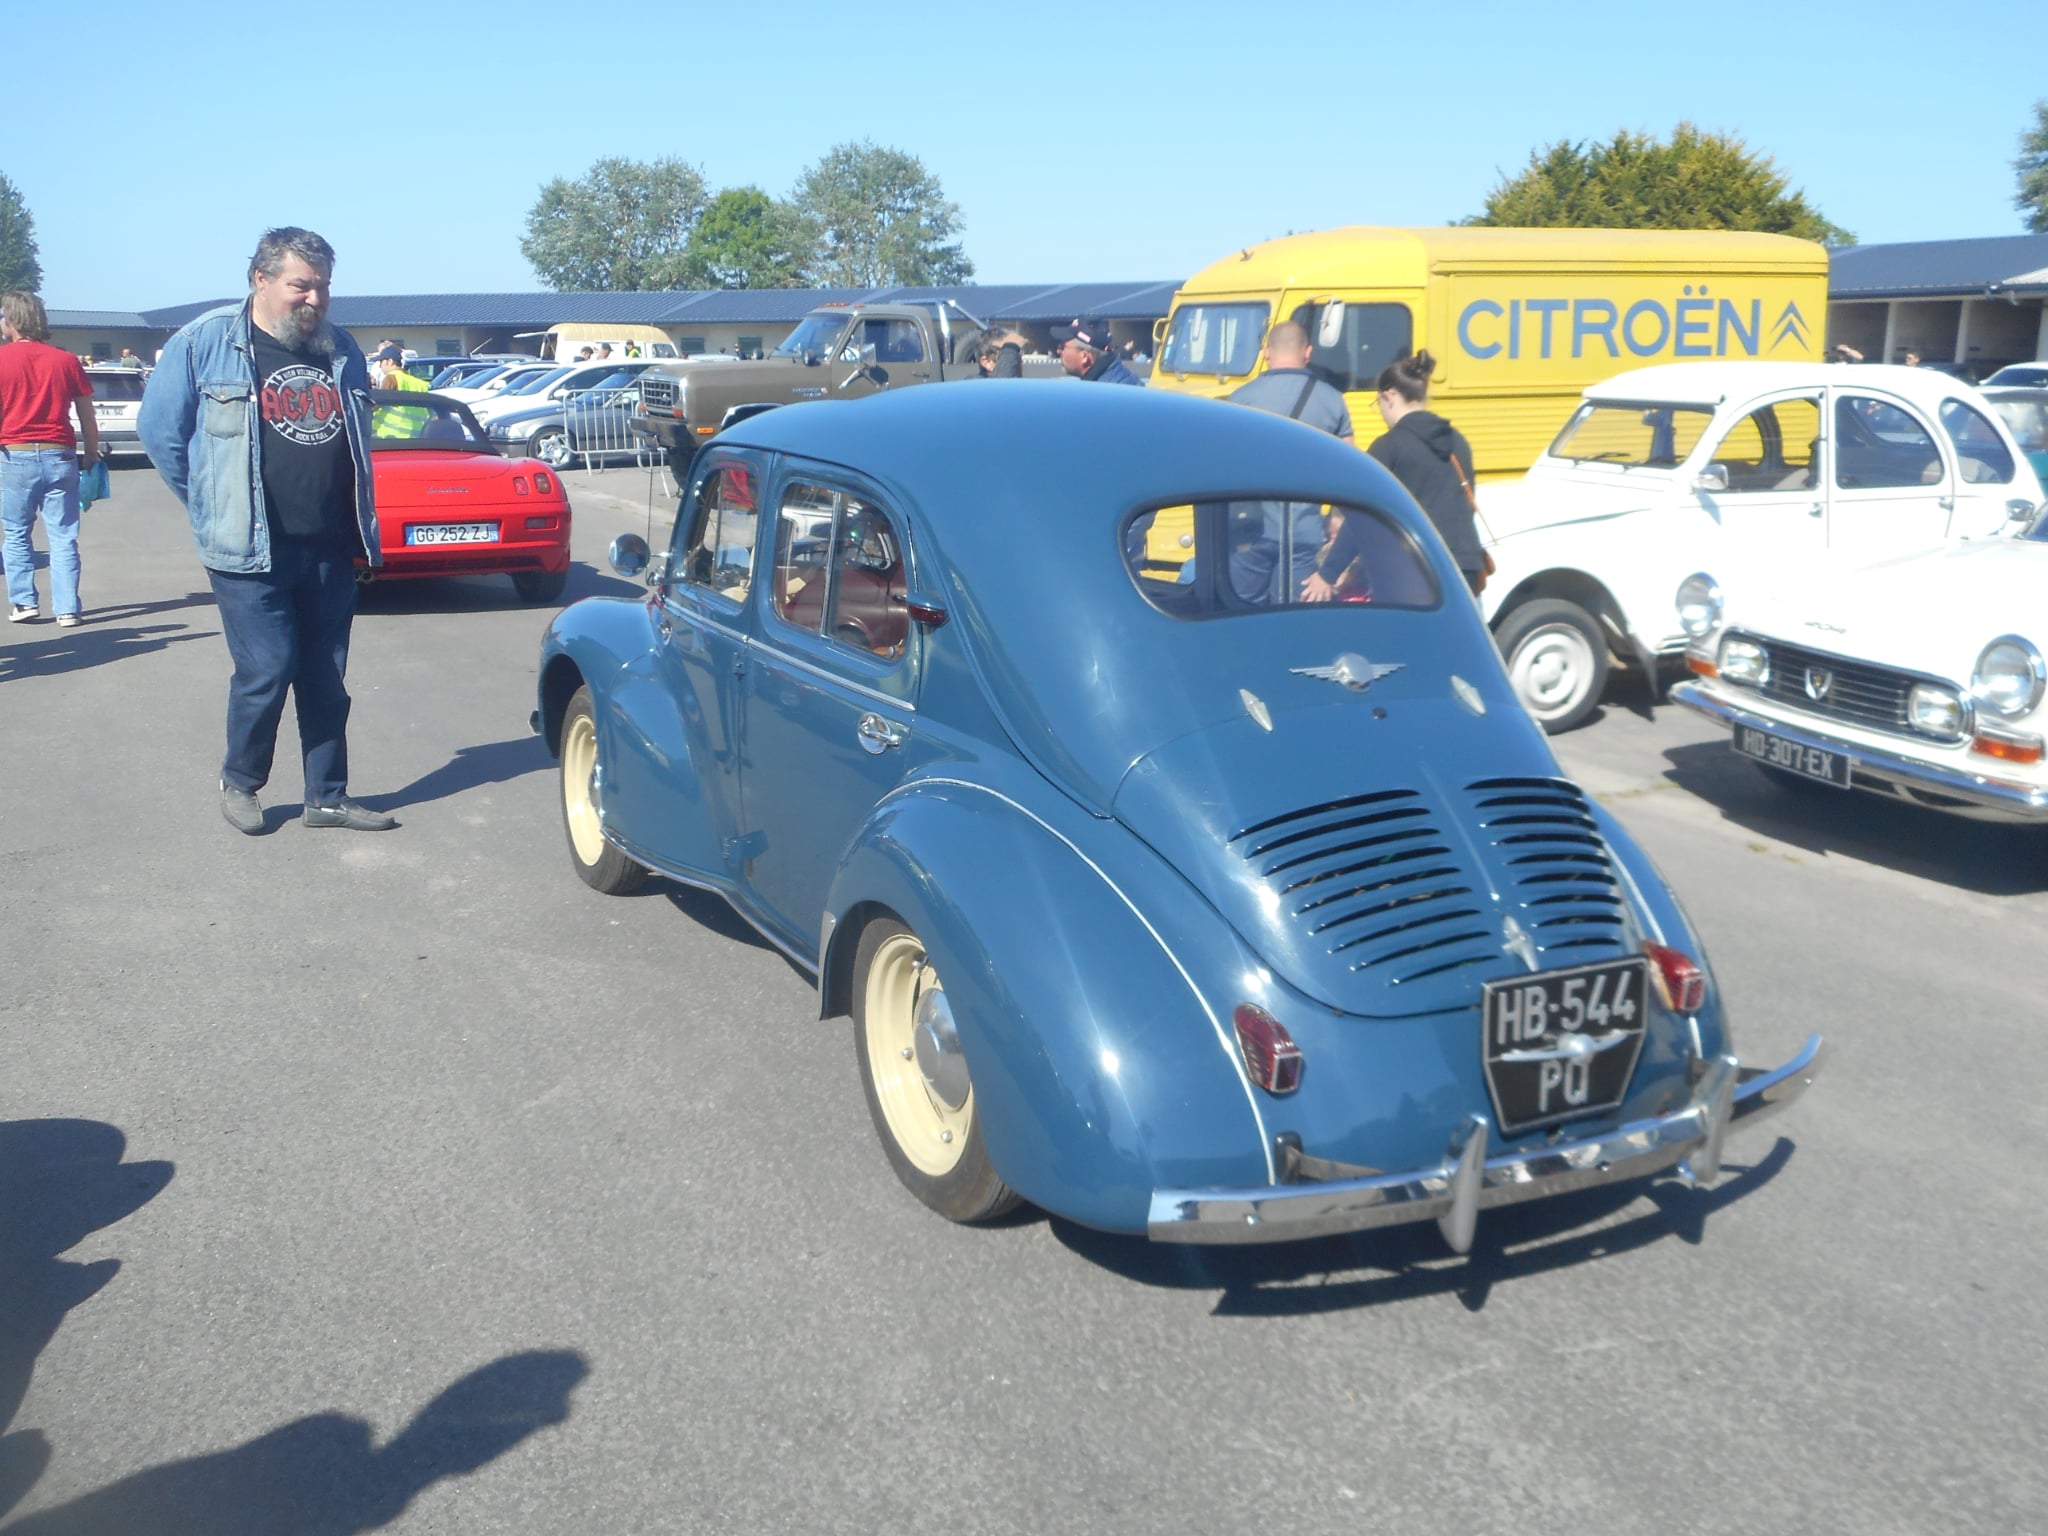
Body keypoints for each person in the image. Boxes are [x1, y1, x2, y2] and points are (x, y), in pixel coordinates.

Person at [136, 226, 398, 835]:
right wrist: (209, 504)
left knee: (325, 679)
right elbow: (160, 432)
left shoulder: (342, 349)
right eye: (299, 286)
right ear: (260, 280)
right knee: (268, 669)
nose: (313, 300)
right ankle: (241, 781)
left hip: (331, 544)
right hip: (249, 546)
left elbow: (355, 444)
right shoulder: (207, 342)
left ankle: (326, 796)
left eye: (323, 288)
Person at [1225, 321, 1353, 603]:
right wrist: (1337, 520)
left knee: (1242, 616)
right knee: (1296, 619)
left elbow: (1223, 467)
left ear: (1267, 352)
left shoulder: (1239, 401)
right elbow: (1348, 471)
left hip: (1251, 533)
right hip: (1304, 534)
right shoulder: (1333, 401)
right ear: (1308, 352)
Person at [0, 291, 99, 626]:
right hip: (60, 453)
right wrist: (91, 453)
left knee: (15, 532)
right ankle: (67, 608)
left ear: (11, 320)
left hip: (15, 454)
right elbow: (86, 415)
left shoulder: (2, 359)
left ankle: (24, 602)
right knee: (63, 535)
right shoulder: (66, 360)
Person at [1365, 350, 1488, 596]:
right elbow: (1466, 501)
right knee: (1458, 636)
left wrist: (1328, 573)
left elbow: (1365, 513)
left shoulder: (1388, 447)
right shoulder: (1457, 441)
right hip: (1465, 564)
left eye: (1377, 403)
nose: (1379, 411)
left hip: (1416, 569)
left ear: (1389, 397)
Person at [1051, 318, 1143, 385]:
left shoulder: (1104, 397)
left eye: (1063, 347)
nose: (1059, 351)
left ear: (1084, 357)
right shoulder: (1122, 380)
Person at [369, 342, 429, 438]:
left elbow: (376, 404)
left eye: (381, 362)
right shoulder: (422, 384)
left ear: (390, 361)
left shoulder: (391, 378)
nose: (380, 366)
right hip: (416, 437)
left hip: (391, 437)